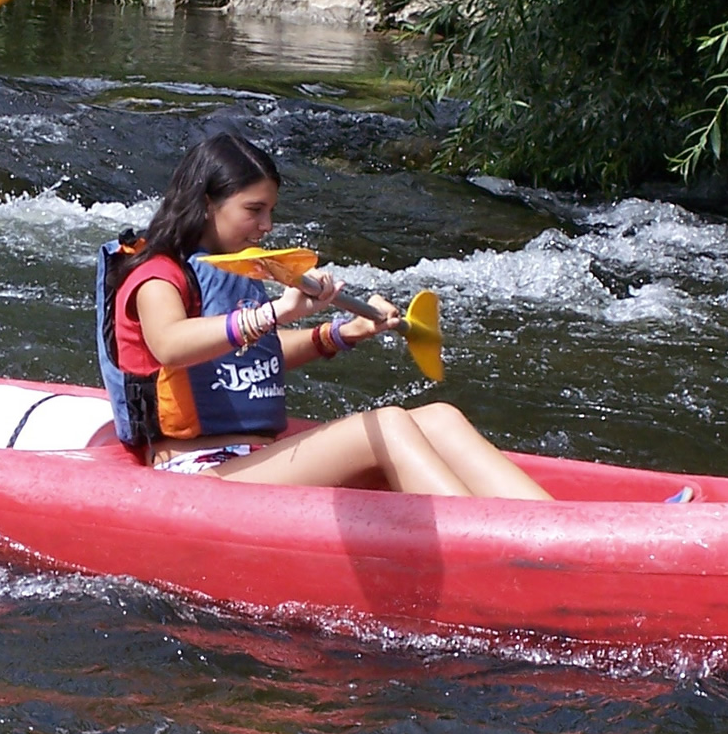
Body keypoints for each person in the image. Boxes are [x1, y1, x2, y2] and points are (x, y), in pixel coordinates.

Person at [97, 133, 552, 498]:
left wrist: (341, 332)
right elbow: (170, 344)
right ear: (204, 204)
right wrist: (274, 312)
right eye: (254, 210)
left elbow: (252, 361)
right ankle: (483, 552)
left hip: (253, 457)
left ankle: (548, 532)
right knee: (386, 425)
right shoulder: (158, 274)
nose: (267, 226)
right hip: (194, 473)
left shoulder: (233, 264)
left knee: (441, 418)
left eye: (270, 210)